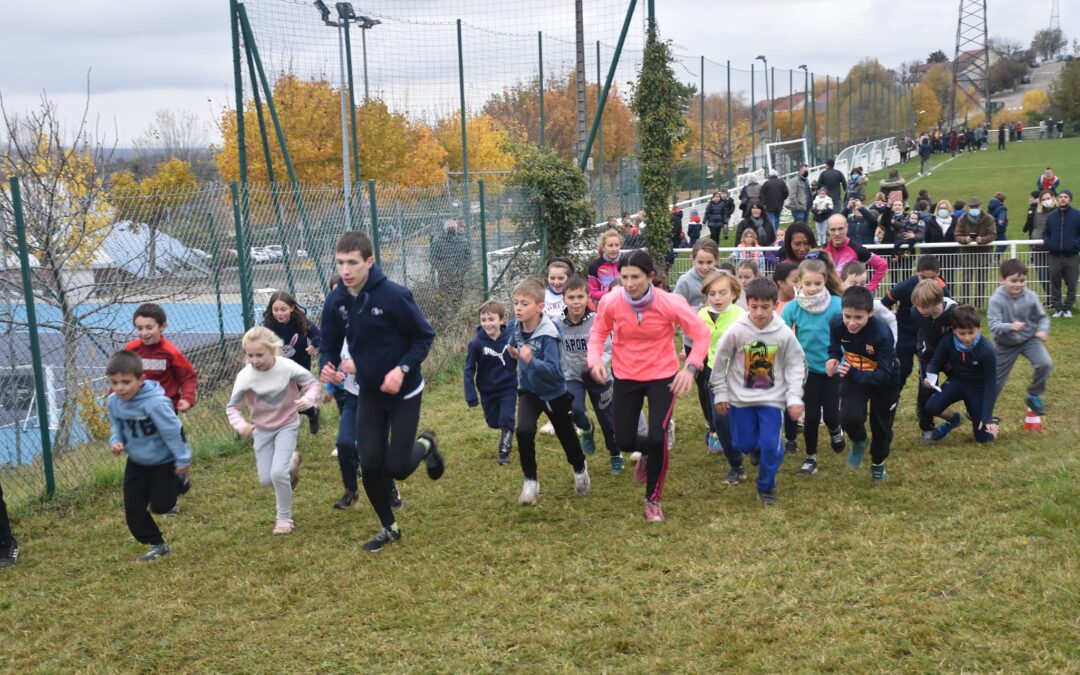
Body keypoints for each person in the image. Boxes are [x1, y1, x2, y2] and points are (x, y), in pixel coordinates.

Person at [320, 231, 444, 553]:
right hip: (369, 394)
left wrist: (401, 369)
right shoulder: (336, 301)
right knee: (370, 461)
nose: (346, 270)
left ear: (369, 262)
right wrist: (327, 364)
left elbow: (423, 337)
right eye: (340, 263)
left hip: (404, 392)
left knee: (398, 468)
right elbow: (329, 345)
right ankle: (389, 527)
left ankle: (427, 443)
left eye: (352, 263)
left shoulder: (393, 295)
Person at [588, 250, 710, 521]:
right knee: (623, 440)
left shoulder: (670, 302)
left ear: (650, 277)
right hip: (626, 375)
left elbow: (701, 334)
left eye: (636, 277)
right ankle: (645, 451)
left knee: (658, 437)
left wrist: (691, 367)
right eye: (625, 277)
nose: (629, 284)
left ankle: (652, 499)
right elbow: (597, 332)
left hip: (662, 377)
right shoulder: (611, 301)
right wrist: (595, 360)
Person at [710, 278, 806, 505]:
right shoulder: (737, 331)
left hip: (772, 399)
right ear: (747, 305)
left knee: (771, 445)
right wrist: (721, 392)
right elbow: (720, 360)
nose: (760, 313)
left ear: (775, 304)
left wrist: (793, 397)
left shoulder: (783, 333)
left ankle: (766, 486)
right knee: (744, 444)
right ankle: (757, 449)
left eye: (765, 307)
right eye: (754, 307)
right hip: (740, 399)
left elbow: (795, 364)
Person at [227, 327, 320, 536]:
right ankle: (292, 461)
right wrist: (241, 425)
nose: (255, 360)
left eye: (260, 355)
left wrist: (308, 399)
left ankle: (284, 518)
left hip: (287, 424)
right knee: (266, 479)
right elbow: (232, 407)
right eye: (250, 355)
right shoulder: (245, 377)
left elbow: (312, 384)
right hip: (261, 430)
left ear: (274, 351)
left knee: (278, 473)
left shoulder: (287, 367)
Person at [508, 277, 590, 506]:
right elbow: (510, 340)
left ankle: (579, 466)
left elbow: (555, 372)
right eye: (516, 303)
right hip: (529, 391)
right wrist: (512, 350)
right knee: (523, 431)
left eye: (524, 303)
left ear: (540, 307)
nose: (518, 308)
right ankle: (531, 480)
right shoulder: (515, 325)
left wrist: (531, 361)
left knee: (566, 435)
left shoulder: (549, 334)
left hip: (554, 392)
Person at [106, 349, 192, 562]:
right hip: (136, 462)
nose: (119, 388)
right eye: (114, 382)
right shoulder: (113, 402)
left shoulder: (155, 403)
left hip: (164, 462)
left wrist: (182, 460)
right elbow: (117, 426)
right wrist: (115, 441)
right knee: (133, 509)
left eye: (125, 382)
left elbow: (172, 431)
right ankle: (158, 545)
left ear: (141, 379)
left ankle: (180, 481)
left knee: (161, 506)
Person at [826, 286, 899, 483]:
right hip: (854, 375)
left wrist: (853, 373)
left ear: (871, 313)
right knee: (849, 417)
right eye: (847, 316)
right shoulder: (836, 323)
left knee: (881, 427)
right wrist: (833, 357)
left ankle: (878, 464)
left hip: (884, 382)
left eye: (858, 317)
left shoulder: (882, 334)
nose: (851, 322)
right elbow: (834, 344)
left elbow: (884, 374)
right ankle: (859, 441)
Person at [781, 259, 845, 475]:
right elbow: (780, 330)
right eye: (808, 284)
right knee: (810, 416)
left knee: (830, 415)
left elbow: (847, 335)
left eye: (817, 283)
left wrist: (844, 362)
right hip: (806, 370)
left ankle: (836, 429)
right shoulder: (794, 307)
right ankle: (810, 458)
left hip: (832, 368)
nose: (813, 288)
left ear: (825, 281)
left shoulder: (837, 304)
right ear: (799, 282)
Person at [560, 276, 622, 474]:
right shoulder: (556, 324)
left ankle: (615, 454)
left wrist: (598, 365)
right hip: (572, 376)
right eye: (571, 297)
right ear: (564, 299)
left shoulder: (598, 321)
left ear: (588, 297)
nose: (576, 302)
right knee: (575, 410)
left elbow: (608, 349)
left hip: (598, 375)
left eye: (580, 297)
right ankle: (586, 429)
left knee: (608, 419)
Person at [924, 305, 999, 443]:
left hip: (978, 389)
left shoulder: (987, 351)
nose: (967, 338)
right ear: (954, 331)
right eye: (962, 333)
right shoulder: (947, 341)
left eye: (971, 332)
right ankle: (954, 419)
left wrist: (987, 416)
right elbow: (935, 362)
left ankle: (987, 418)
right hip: (957, 383)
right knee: (932, 406)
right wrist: (930, 376)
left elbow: (991, 385)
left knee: (984, 439)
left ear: (979, 328)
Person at [988, 259, 1052, 416]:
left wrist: (1042, 330)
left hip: (1029, 339)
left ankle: (1034, 395)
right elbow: (994, 325)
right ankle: (983, 410)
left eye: (1022, 280)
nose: (1018, 285)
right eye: (1014, 281)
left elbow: (1042, 317)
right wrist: (1009, 326)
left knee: (1045, 364)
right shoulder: (996, 299)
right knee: (995, 381)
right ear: (1002, 280)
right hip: (1004, 344)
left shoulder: (1031, 296)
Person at [697, 271, 746, 473]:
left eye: (722, 293)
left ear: (734, 293)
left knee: (743, 418)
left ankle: (756, 447)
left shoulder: (742, 318)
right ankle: (735, 464)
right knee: (720, 420)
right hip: (714, 374)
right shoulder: (701, 315)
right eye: (712, 293)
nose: (717, 298)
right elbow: (699, 341)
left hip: (739, 375)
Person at [881, 255, 947, 391]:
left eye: (932, 278)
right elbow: (884, 302)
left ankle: (925, 410)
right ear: (917, 272)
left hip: (928, 336)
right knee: (902, 370)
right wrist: (891, 318)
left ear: (938, 275)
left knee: (928, 374)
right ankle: (890, 402)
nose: (928, 282)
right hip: (905, 335)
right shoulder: (905, 286)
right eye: (923, 278)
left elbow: (947, 310)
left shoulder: (941, 288)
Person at [464, 299, 518, 465]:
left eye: (491, 319)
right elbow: (469, 369)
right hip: (487, 390)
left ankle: (504, 451)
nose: (488, 324)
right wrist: (471, 394)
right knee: (494, 422)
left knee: (506, 418)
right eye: (484, 320)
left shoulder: (511, 338)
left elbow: (522, 355)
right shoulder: (476, 344)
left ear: (502, 320)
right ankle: (505, 427)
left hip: (508, 386)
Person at [674, 239, 720, 431]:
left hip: (719, 341)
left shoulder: (722, 277)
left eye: (709, 262)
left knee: (718, 381)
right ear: (692, 260)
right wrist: (699, 310)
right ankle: (711, 424)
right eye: (700, 262)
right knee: (703, 384)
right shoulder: (685, 281)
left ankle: (723, 421)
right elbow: (675, 308)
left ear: (716, 260)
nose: (705, 267)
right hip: (693, 343)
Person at [263, 291, 322, 435]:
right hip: (278, 368)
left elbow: (318, 336)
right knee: (281, 402)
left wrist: (314, 345)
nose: (279, 313)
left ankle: (284, 432)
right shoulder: (269, 324)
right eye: (275, 310)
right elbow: (263, 342)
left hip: (299, 367)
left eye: (283, 309)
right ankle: (312, 411)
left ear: (292, 308)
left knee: (285, 402)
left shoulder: (301, 321)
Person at [124, 303, 198, 414]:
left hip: (165, 409)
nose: (144, 333)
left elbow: (188, 377)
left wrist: (187, 398)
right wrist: (114, 396)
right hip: (138, 408)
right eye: (139, 328)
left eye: (149, 328)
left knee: (173, 431)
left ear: (162, 326)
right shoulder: (131, 349)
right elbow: (120, 374)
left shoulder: (171, 352)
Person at [911, 279, 960, 443]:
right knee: (926, 388)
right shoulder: (916, 312)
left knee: (964, 382)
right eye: (918, 306)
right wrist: (922, 350)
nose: (920, 310)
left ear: (938, 301)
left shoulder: (954, 312)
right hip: (928, 355)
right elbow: (923, 333)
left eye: (925, 306)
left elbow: (963, 334)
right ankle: (926, 428)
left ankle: (976, 414)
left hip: (951, 356)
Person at [822, 213, 889, 291]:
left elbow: (882, 265)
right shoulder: (822, 251)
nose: (837, 233)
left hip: (849, 298)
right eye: (833, 229)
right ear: (828, 230)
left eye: (840, 229)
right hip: (827, 298)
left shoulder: (857, 249)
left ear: (847, 227)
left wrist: (870, 289)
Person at [840, 261, 898, 345]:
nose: (858, 287)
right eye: (853, 283)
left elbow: (891, 319)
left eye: (862, 284)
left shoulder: (873, 304)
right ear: (841, 282)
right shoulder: (835, 302)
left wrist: (892, 344)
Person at [954, 197, 997, 306]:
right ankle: (965, 304)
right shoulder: (962, 219)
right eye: (972, 207)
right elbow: (957, 235)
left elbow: (993, 234)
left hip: (984, 254)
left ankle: (979, 304)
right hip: (967, 255)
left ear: (981, 206)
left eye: (976, 207)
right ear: (968, 207)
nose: (974, 209)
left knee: (981, 281)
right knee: (966, 281)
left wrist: (982, 239)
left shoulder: (989, 218)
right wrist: (965, 239)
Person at [1043, 190, 1080, 317]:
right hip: (1054, 256)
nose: (1063, 199)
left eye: (1066, 197)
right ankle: (1058, 308)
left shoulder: (1077, 215)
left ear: (1070, 199)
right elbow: (1046, 233)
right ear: (1057, 199)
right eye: (1061, 196)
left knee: (1071, 282)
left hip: (1072, 256)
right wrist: (1050, 243)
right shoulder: (1051, 216)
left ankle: (1068, 307)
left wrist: (1075, 244)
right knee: (1055, 282)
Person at [429, 219, 470, 300]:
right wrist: (443, 269)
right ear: (444, 229)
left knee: (458, 295)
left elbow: (468, 256)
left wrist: (463, 269)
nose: (451, 228)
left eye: (453, 227)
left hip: (459, 273)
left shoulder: (463, 241)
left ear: (456, 228)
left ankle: (455, 310)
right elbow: (433, 258)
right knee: (445, 295)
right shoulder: (437, 241)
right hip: (445, 275)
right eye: (449, 227)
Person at [587, 229, 623, 303]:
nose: (614, 249)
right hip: (605, 305)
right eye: (610, 245)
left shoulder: (626, 263)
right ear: (603, 247)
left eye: (617, 245)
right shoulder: (595, 266)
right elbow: (592, 293)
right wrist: (611, 293)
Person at [543, 257, 573, 322]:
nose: (556, 283)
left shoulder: (576, 295)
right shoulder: (540, 295)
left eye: (561, 278)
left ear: (569, 278)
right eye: (552, 278)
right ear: (547, 277)